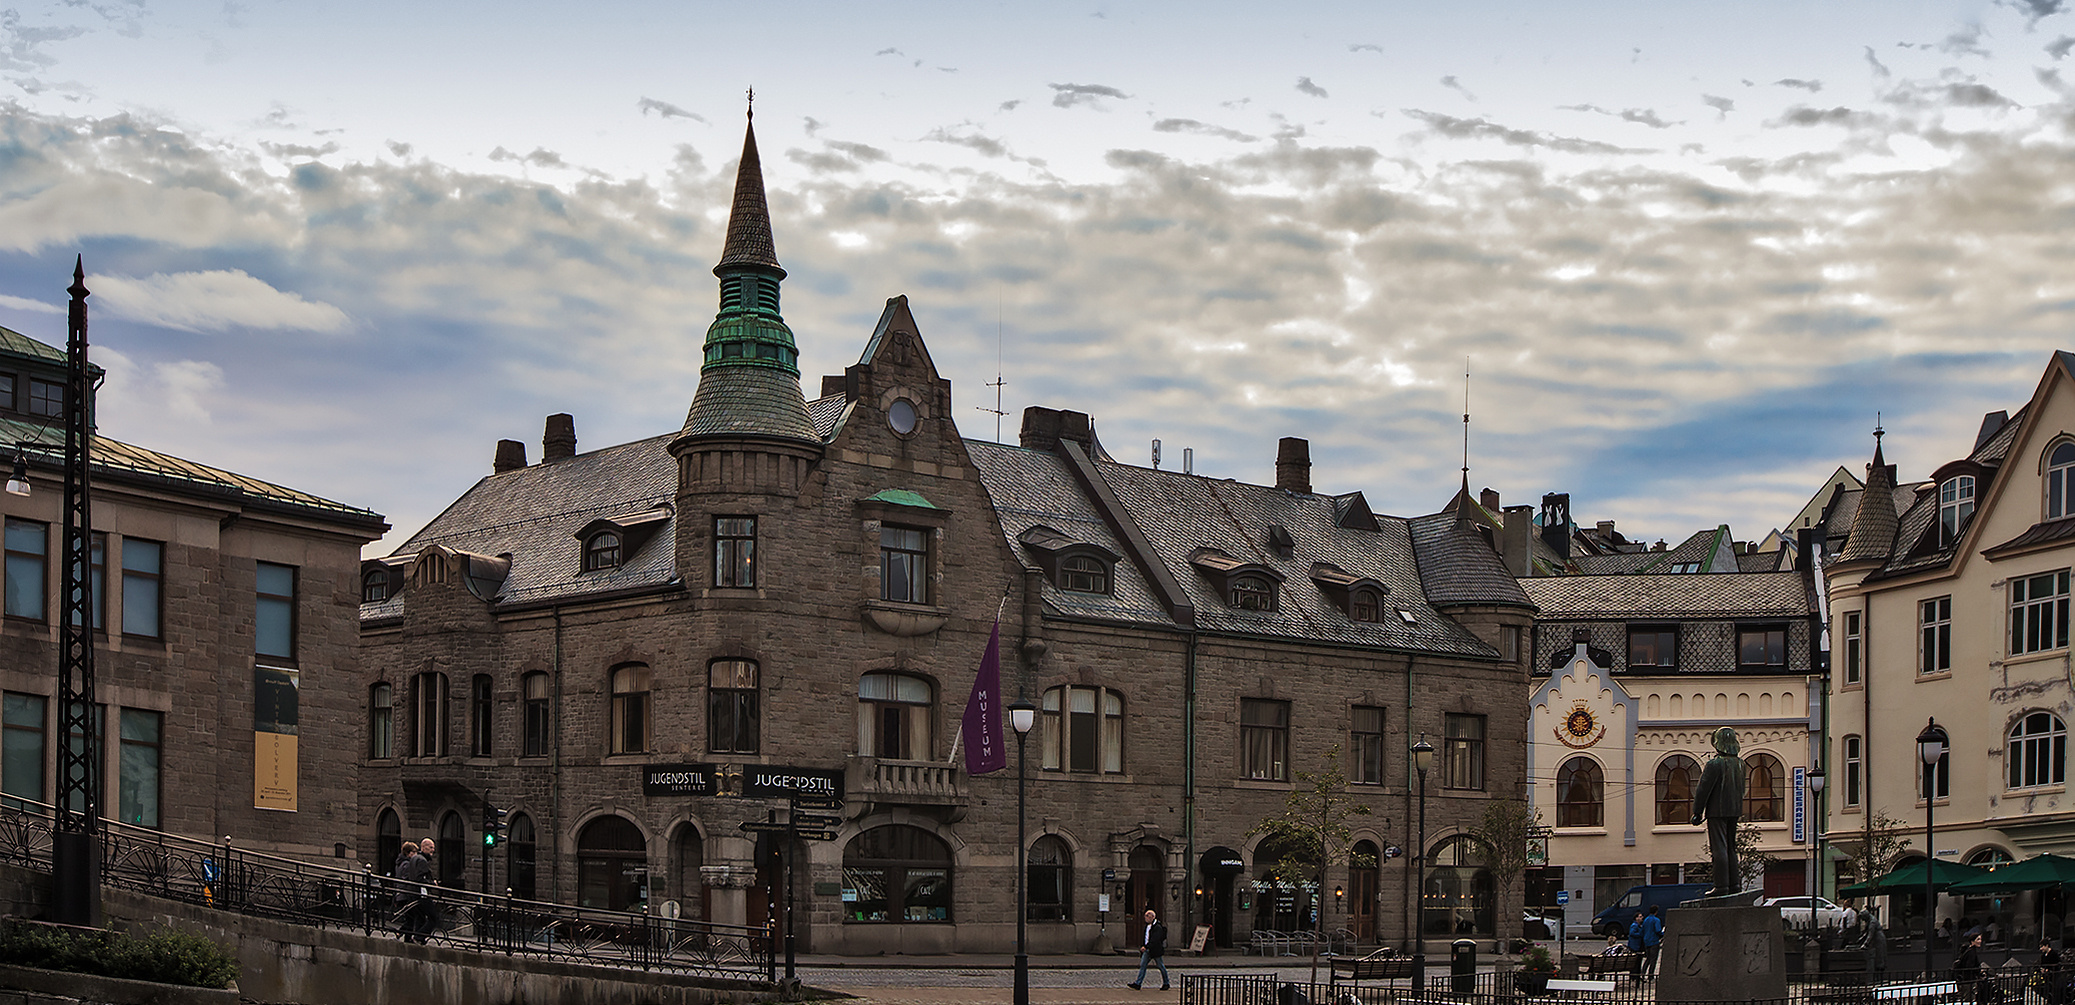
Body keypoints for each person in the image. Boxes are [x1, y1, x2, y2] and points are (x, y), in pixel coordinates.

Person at [392, 838, 433, 943]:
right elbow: (409, 879)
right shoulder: (407, 864)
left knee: (412, 918)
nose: (416, 854)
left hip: (403, 893)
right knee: (413, 918)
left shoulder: (401, 863)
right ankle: (408, 936)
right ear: (408, 853)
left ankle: (407, 937)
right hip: (407, 893)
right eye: (414, 852)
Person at [1128, 909, 1168, 991]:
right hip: (1147, 950)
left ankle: (1166, 983)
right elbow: (1146, 937)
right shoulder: (1147, 926)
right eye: (1145, 916)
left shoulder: (1157, 927)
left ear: (1152, 917)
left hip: (1155, 950)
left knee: (1160, 966)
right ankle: (1138, 983)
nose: (1145, 918)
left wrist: (1146, 946)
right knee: (1143, 966)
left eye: (1147, 916)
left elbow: (1155, 940)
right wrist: (1144, 946)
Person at [1641, 905, 1665, 979]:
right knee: (1653, 959)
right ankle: (1650, 975)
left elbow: (1643, 930)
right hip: (1654, 941)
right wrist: (1663, 933)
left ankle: (1643, 973)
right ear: (1656, 911)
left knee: (1648, 959)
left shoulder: (1646, 920)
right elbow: (1658, 930)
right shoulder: (1656, 920)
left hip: (1646, 941)